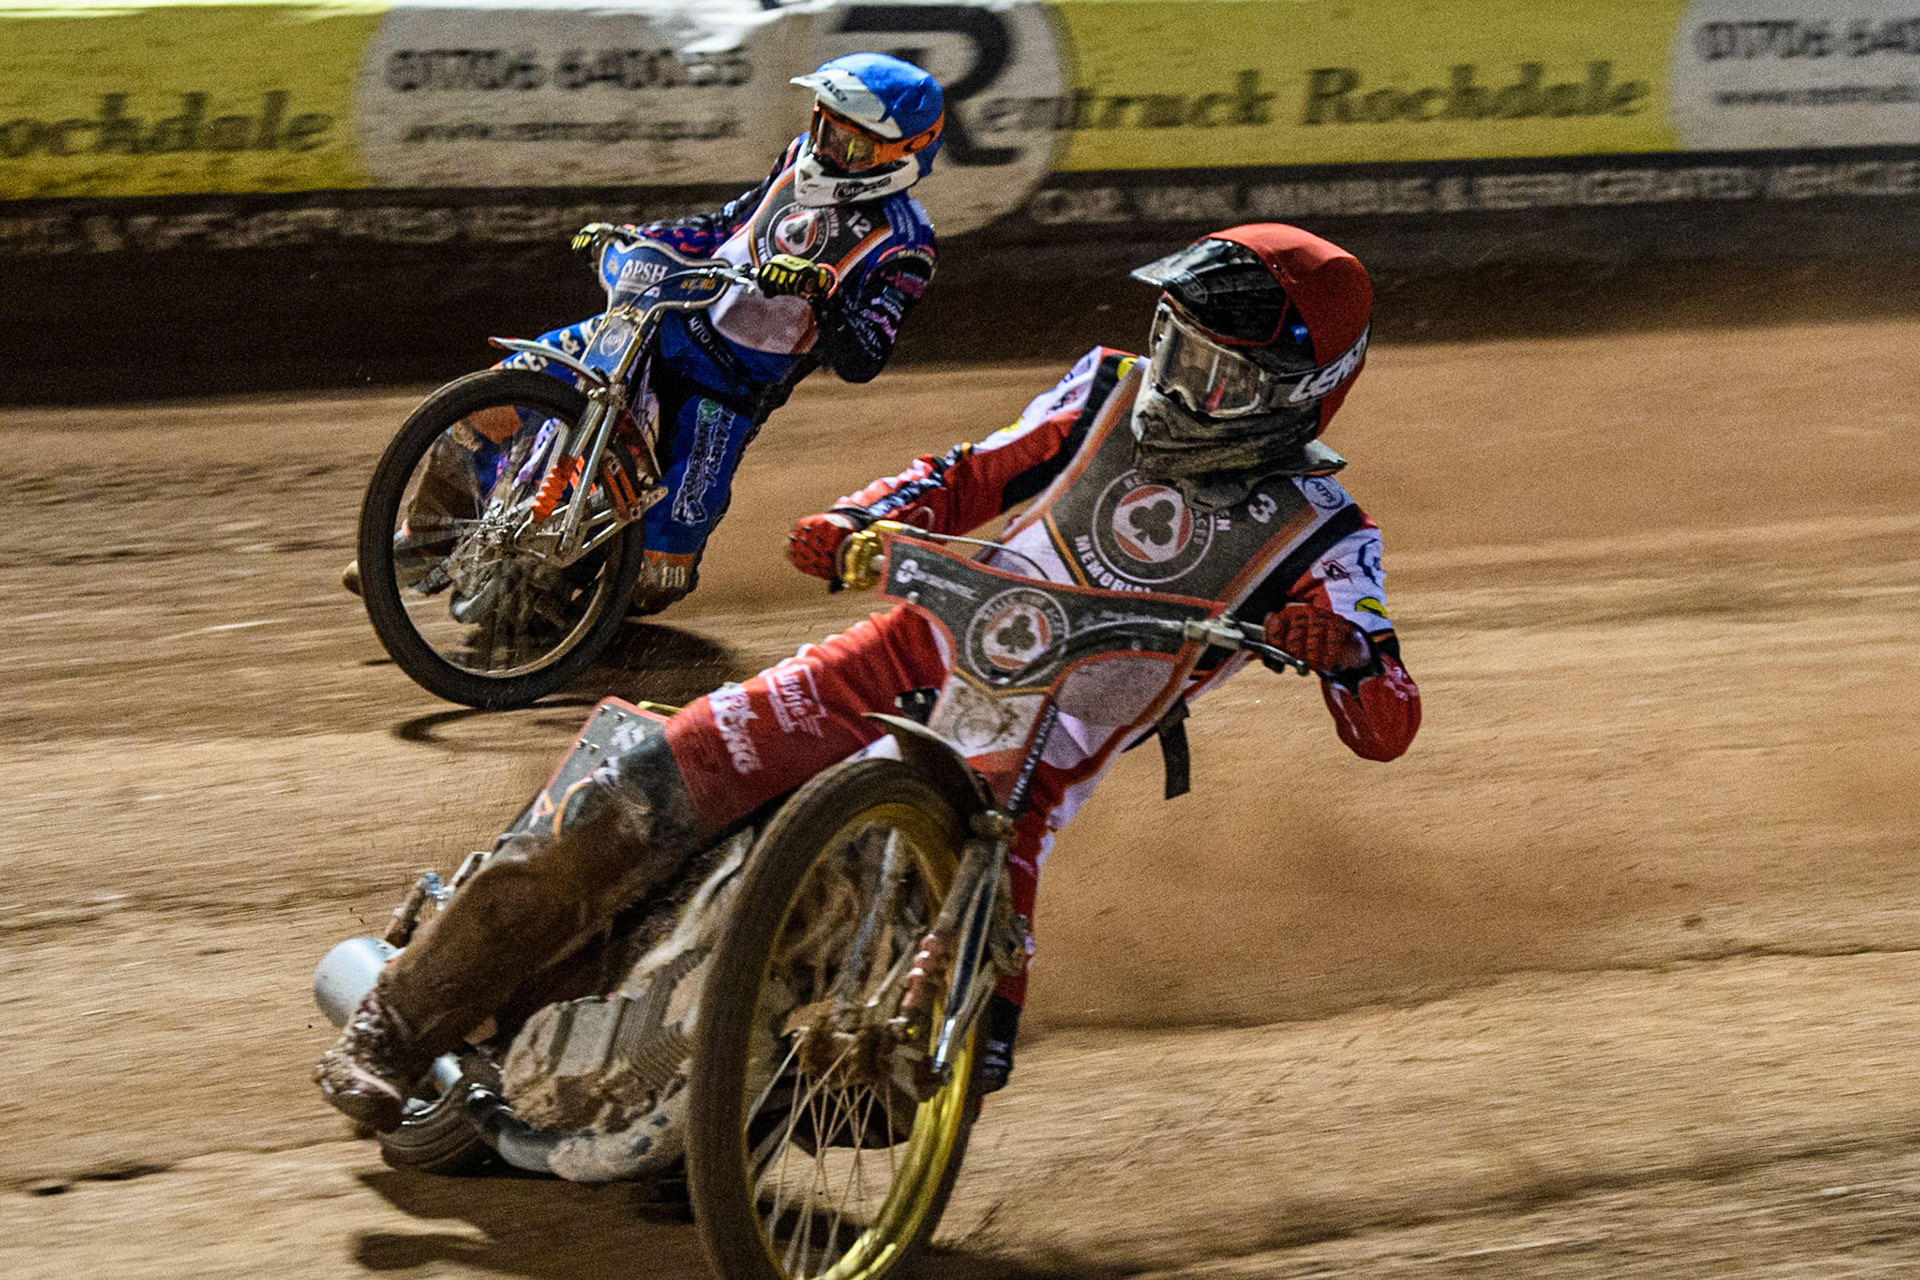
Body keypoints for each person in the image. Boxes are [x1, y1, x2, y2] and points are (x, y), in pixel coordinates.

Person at [317, 222, 1422, 1131]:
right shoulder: (1108, 390)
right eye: (1175, 343)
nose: (1179, 380)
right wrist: (863, 515)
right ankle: (397, 1024)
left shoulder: (1327, 536)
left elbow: (1388, 721)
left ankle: (716, 1132)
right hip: (896, 656)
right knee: (635, 796)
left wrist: (1344, 652)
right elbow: (970, 473)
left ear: (1303, 392)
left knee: (928, 1070)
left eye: (1217, 372)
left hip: (1015, 781)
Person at [343, 52, 945, 612]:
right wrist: (638, 235)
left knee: (661, 569)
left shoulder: (907, 244)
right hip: (663, 321)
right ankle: (423, 542)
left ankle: (580, 606)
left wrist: (823, 293)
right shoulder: (796, 160)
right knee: (500, 393)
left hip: (729, 388)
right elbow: (724, 226)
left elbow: (864, 359)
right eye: (824, 126)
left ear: (902, 154)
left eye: (850, 143)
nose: (828, 148)